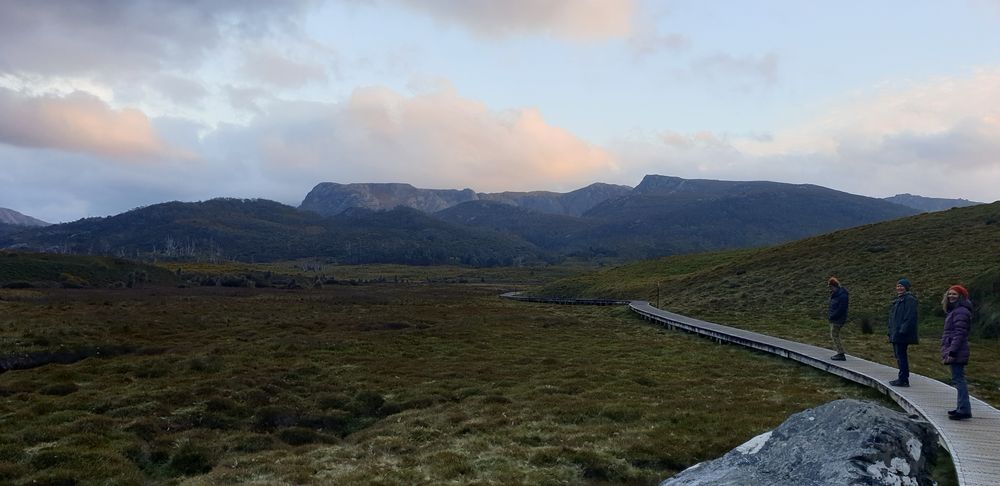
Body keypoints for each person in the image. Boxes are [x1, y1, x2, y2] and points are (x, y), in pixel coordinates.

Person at [941, 285, 973, 420]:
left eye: (954, 294)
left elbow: (959, 334)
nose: (951, 296)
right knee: (957, 379)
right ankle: (962, 407)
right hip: (954, 348)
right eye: (949, 294)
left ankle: (964, 410)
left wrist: (952, 351)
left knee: (959, 379)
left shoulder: (960, 311)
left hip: (957, 350)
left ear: (961, 296)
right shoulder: (955, 310)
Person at [887, 278, 919, 387]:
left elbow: (909, 317)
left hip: (901, 334)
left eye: (901, 286)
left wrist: (902, 331)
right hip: (896, 333)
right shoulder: (898, 300)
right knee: (899, 356)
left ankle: (903, 379)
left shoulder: (909, 299)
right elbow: (893, 318)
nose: (899, 288)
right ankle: (902, 378)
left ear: (906, 287)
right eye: (898, 286)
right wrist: (891, 330)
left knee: (901, 356)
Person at [828, 277, 850, 361]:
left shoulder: (842, 295)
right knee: (834, 334)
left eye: (831, 287)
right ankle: (839, 353)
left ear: (834, 286)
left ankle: (840, 353)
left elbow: (841, 309)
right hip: (835, 318)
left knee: (834, 335)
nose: (830, 289)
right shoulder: (836, 294)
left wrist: (833, 316)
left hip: (838, 319)